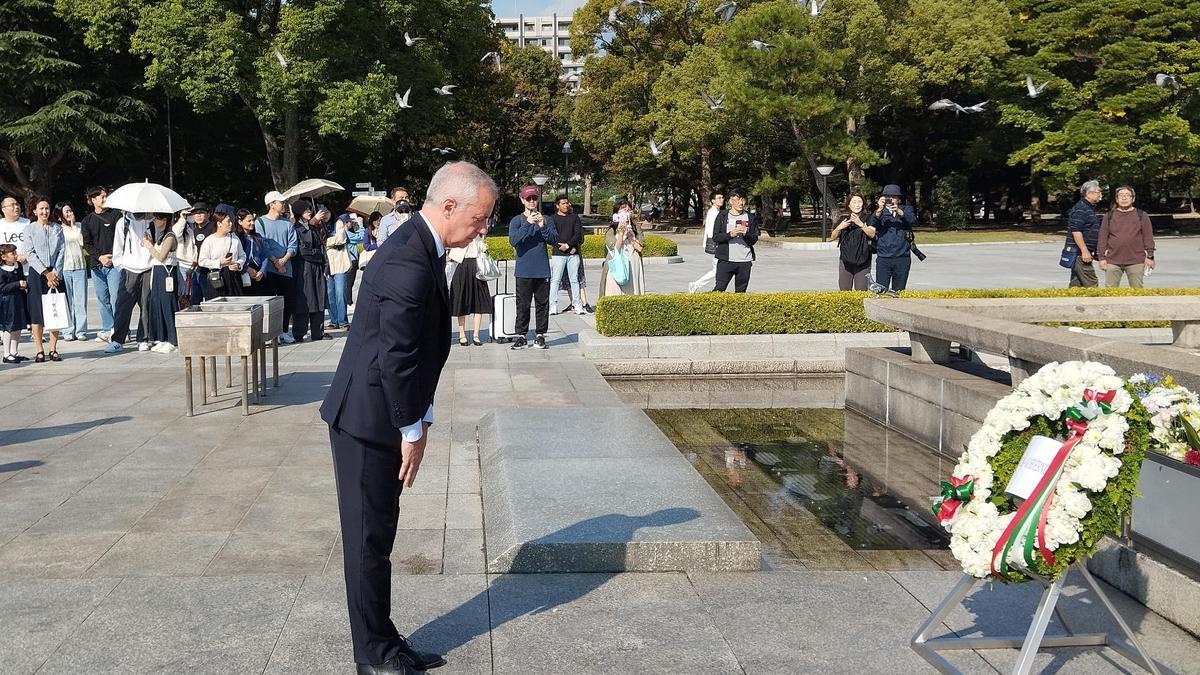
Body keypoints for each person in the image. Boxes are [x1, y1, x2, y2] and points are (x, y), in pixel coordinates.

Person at [320, 161, 496, 675]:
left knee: (379, 536)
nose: (483, 228)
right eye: (480, 217)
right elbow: (396, 356)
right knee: (367, 540)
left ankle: (383, 637)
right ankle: (372, 654)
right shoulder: (410, 258)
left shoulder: (419, 246)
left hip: (376, 413)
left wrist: (423, 412)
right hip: (368, 420)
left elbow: (413, 348)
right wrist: (411, 428)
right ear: (448, 206)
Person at [508, 185, 557, 350]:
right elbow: (514, 240)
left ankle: (540, 335)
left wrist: (542, 226)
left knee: (543, 303)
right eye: (528, 199)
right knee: (523, 304)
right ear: (522, 200)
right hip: (523, 270)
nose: (531, 201)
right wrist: (528, 223)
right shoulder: (517, 220)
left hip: (542, 269)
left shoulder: (547, 219)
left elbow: (553, 240)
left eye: (534, 198)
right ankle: (521, 335)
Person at [105, 211, 155, 353]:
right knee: (123, 306)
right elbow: (118, 247)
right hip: (128, 269)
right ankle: (117, 340)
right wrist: (121, 266)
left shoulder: (152, 222)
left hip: (149, 268)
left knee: (146, 305)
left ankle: (143, 338)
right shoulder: (123, 222)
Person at [24, 198, 65, 362]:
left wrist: (55, 273)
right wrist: (45, 273)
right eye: (41, 209)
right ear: (34, 211)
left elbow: (62, 251)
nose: (44, 212)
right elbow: (30, 253)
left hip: (55, 273)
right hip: (37, 274)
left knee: (55, 310)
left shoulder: (57, 228)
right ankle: (39, 349)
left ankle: (53, 349)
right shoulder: (30, 229)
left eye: (47, 208)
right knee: (37, 313)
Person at [256, 191, 299, 342]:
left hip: (286, 268)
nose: (284, 204)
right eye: (280, 202)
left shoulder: (287, 223)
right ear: (272, 204)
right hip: (268, 269)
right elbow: (263, 245)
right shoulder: (259, 222)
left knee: (287, 301)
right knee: (269, 301)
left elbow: (293, 245)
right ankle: (269, 333)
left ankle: (284, 330)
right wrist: (275, 261)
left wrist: (283, 260)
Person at [79, 187, 120, 343]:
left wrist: (112, 257)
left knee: (116, 297)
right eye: (101, 197)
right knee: (102, 298)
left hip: (115, 263)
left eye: (105, 196)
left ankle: (120, 328)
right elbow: (87, 244)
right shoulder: (87, 221)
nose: (104, 199)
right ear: (93, 200)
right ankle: (107, 328)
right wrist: (100, 257)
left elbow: (121, 239)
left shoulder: (116, 216)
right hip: (97, 265)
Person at [1098, 185, 1155, 288]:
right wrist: (1102, 258)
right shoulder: (1109, 216)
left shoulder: (1141, 215)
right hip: (1112, 261)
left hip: (1136, 260)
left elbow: (1148, 238)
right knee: (1110, 292)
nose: (1124, 198)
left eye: (1127, 195)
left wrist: (1150, 256)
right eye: (1120, 195)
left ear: (1133, 198)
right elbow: (1102, 238)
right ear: (1116, 199)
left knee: (1137, 291)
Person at [142, 213, 179, 352]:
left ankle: (172, 339)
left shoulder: (170, 236)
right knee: (157, 303)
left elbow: (161, 256)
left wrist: (149, 246)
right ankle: (162, 337)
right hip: (158, 273)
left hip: (167, 272)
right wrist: (149, 243)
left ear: (164, 220)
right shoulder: (161, 236)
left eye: (157, 218)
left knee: (167, 304)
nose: (155, 221)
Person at [292, 206, 330, 342]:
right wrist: (318, 255)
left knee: (319, 298)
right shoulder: (296, 229)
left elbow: (321, 246)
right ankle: (299, 332)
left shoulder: (313, 228)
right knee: (305, 300)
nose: (309, 213)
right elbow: (302, 250)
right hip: (304, 268)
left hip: (317, 268)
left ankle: (318, 332)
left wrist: (325, 265)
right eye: (306, 210)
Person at [870, 184, 917, 292]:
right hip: (884, 256)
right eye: (887, 196)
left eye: (894, 197)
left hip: (902, 256)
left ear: (899, 198)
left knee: (899, 290)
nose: (891, 199)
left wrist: (899, 212)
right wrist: (879, 210)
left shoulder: (906, 209)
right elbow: (872, 223)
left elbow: (913, 220)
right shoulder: (880, 212)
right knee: (881, 290)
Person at [448, 235, 493, 346]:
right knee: (461, 300)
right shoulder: (460, 231)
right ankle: (462, 334)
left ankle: (476, 335)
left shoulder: (478, 233)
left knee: (479, 301)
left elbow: (483, 249)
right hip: (461, 265)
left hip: (476, 266)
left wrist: (482, 237)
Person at [711, 188, 758, 293]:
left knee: (740, 292)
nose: (741, 203)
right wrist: (730, 234)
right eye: (737, 200)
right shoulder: (722, 215)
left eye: (743, 200)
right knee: (719, 289)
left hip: (745, 261)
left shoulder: (750, 217)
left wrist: (746, 234)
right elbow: (716, 237)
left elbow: (754, 239)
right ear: (731, 201)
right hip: (726, 260)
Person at [55, 202, 89, 340]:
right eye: (66, 212)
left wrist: (74, 225)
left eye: (70, 211)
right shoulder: (57, 229)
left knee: (81, 300)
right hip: (65, 268)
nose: (69, 214)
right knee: (67, 301)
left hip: (80, 266)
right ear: (59, 216)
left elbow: (83, 243)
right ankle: (68, 331)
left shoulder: (79, 226)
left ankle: (80, 330)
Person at [198, 204, 246, 300]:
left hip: (234, 277)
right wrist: (219, 262)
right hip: (217, 278)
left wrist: (238, 264)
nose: (231, 224)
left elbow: (242, 255)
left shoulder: (234, 238)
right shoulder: (209, 240)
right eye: (228, 222)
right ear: (219, 224)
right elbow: (202, 261)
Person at [599, 200, 647, 296]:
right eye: (623, 209)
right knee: (614, 290)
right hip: (617, 263)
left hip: (633, 262)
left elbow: (640, 248)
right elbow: (614, 249)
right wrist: (621, 233)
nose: (626, 212)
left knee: (632, 290)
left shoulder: (636, 228)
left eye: (628, 210)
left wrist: (630, 236)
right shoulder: (611, 230)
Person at [172, 201, 215, 306]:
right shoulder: (191, 229)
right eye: (195, 213)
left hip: (210, 269)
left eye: (202, 212)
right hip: (193, 268)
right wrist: (182, 218)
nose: (198, 215)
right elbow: (175, 234)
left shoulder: (213, 228)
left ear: (208, 214)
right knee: (193, 301)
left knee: (211, 301)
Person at [548, 195, 585, 316]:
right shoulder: (552, 219)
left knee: (574, 280)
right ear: (557, 205)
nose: (566, 205)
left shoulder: (574, 218)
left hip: (573, 254)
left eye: (567, 203)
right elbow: (551, 236)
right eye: (563, 203)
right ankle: (553, 305)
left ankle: (577, 304)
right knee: (555, 280)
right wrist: (561, 246)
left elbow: (578, 234)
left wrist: (569, 245)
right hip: (558, 254)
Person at [831, 193, 876, 290]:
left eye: (859, 202)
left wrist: (860, 224)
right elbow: (833, 236)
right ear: (849, 205)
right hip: (845, 260)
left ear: (863, 204)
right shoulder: (843, 219)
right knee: (844, 290)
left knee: (861, 290)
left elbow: (872, 234)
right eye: (854, 202)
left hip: (863, 260)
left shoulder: (869, 218)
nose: (857, 205)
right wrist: (840, 227)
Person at [1066, 180, 1104, 288]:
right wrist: (1084, 251)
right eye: (1098, 191)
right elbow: (1076, 231)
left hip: (1083, 253)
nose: (1100, 194)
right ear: (1088, 193)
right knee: (1092, 283)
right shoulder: (1081, 209)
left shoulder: (1088, 208)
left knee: (1076, 284)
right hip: (1080, 254)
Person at [688, 191, 724, 293]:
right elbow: (711, 230)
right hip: (715, 242)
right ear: (713, 201)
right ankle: (696, 285)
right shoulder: (713, 213)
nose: (721, 200)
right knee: (716, 269)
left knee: (717, 269)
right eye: (719, 198)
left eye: (722, 197)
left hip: (716, 242)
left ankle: (715, 288)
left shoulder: (717, 212)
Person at [325, 214, 354, 330]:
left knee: (340, 293)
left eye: (326, 211)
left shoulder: (338, 222)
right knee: (330, 294)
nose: (324, 214)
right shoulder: (318, 224)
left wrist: (326, 241)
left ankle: (343, 321)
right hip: (328, 264)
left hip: (340, 263)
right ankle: (334, 320)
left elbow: (341, 238)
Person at [0, 244, 27, 363]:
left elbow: (21, 278)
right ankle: (6, 354)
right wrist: (17, 284)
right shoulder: (1, 270)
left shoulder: (18, 266)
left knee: (18, 326)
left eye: (16, 253)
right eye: (13, 254)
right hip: (7, 301)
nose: (16, 256)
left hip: (18, 298)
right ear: (4, 257)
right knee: (9, 327)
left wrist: (24, 284)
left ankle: (14, 351)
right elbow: (2, 287)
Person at [235, 209, 269, 295]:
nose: (252, 223)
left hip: (257, 272)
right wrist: (247, 268)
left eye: (253, 220)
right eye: (249, 221)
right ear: (240, 222)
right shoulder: (236, 238)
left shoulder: (258, 237)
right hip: (243, 271)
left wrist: (262, 271)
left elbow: (264, 256)